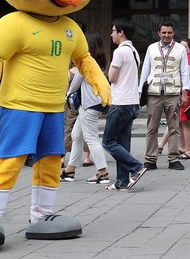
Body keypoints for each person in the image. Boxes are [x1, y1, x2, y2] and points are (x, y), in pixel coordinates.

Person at [101, 19, 148, 191]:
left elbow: (111, 77)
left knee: (108, 142)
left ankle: (136, 167)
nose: (111, 34)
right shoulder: (134, 51)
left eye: (113, 30)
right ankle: (122, 181)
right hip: (132, 102)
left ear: (121, 32)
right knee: (122, 142)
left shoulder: (120, 52)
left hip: (120, 102)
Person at [60, 31, 112, 185]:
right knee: (76, 135)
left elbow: (76, 82)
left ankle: (103, 173)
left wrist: (68, 95)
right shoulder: (99, 60)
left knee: (91, 138)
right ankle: (70, 170)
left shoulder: (87, 61)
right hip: (92, 103)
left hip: (89, 104)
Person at [138, 21, 190, 171]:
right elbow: (145, 69)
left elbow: (184, 71)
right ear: (159, 33)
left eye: (169, 32)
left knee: (174, 127)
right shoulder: (151, 48)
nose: (166, 35)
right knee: (151, 128)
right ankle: (150, 160)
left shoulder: (180, 49)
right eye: (164, 32)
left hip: (173, 93)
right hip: (153, 93)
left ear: (173, 33)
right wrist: (140, 89)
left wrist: (184, 92)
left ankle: (174, 159)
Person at [161, 37, 190, 159]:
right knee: (182, 121)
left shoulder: (189, 59)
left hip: (188, 92)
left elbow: (188, 75)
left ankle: (189, 150)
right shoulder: (188, 58)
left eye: (185, 47)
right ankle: (185, 147)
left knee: (186, 122)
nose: (182, 49)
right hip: (188, 91)